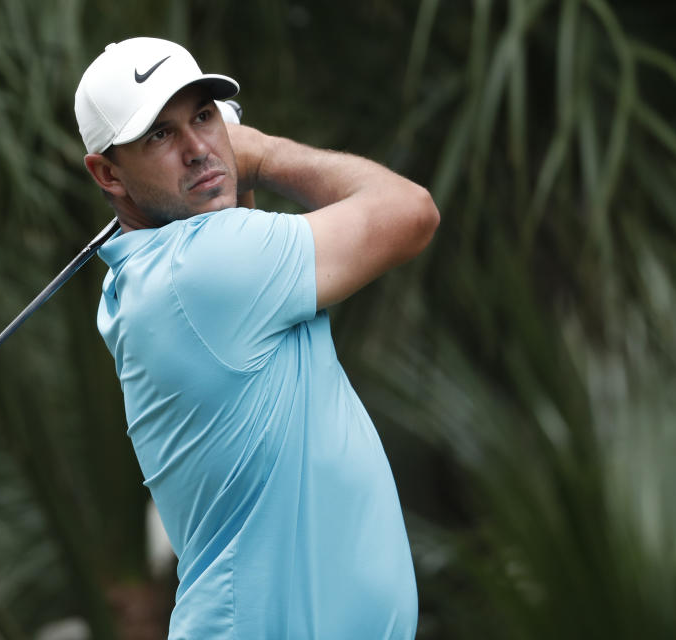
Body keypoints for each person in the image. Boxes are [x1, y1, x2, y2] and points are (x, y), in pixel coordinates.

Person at [74, 37, 439, 639]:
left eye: (203, 116)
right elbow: (411, 211)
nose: (198, 149)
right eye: (160, 135)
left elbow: (240, 226)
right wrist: (263, 155)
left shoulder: (156, 274)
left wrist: (229, 173)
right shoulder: (202, 270)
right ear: (108, 173)